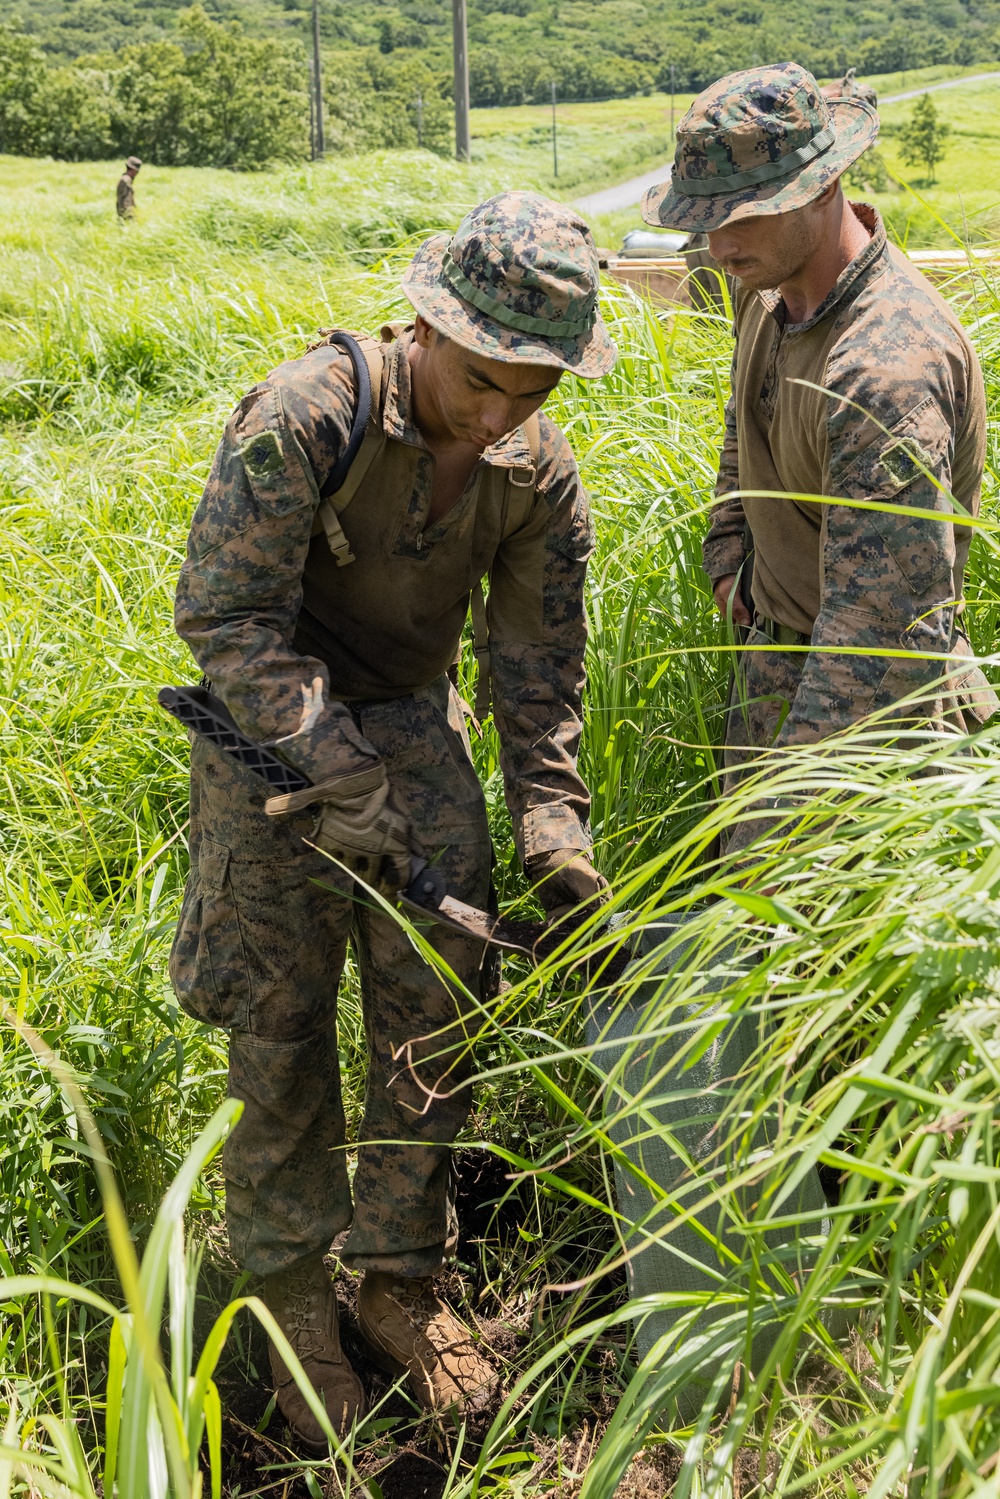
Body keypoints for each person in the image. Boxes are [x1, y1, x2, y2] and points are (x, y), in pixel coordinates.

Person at [169, 192, 615, 1448]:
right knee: (279, 1016)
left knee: (439, 995)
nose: (497, 415)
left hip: (415, 723)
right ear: (428, 325)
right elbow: (223, 617)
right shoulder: (310, 411)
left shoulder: (533, 469)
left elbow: (538, 667)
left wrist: (551, 829)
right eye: (479, 380)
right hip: (268, 733)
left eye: (530, 391)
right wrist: (329, 760)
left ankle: (398, 1276)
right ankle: (288, 1292)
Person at [641, 62, 994, 852]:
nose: (719, 243)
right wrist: (732, 565)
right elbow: (744, 426)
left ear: (823, 185)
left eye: (745, 216)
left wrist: (780, 825)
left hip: (874, 751)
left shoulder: (884, 372)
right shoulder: (766, 289)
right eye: (705, 218)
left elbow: (885, 643)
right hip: (780, 668)